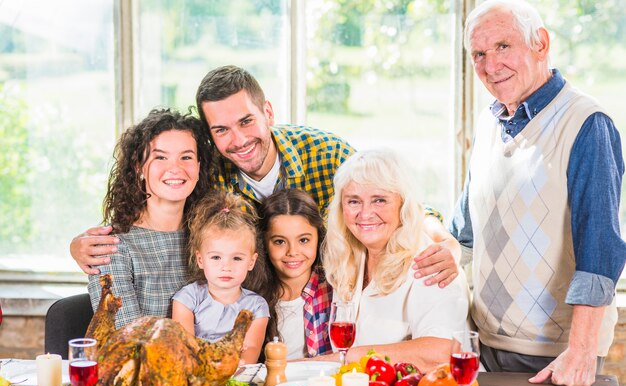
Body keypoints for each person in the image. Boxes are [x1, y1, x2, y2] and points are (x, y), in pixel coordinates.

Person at [71, 65, 461, 288]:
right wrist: (80, 247)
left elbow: (394, 205)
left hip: (328, 307)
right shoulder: (205, 175)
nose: (238, 140)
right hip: (247, 312)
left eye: (246, 121)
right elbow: (154, 207)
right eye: (221, 130)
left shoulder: (325, 153)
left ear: (268, 113)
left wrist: (447, 245)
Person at [450, 0, 625, 386]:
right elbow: (465, 233)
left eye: (503, 47)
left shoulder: (586, 124)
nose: (490, 65)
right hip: (485, 344)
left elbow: (601, 250)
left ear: (541, 44)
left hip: (557, 353)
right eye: (478, 53)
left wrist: (581, 349)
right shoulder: (488, 122)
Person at [319, 148, 469, 373]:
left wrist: (346, 358)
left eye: (379, 200)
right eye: (353, 201)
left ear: (403, 204)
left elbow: (441, 354)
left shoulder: (430, 262)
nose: (365, 213)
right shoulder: (349, 256)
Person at [87, 108, 213, 328]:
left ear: (199, 166)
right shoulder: (113, 248)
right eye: (161, 157)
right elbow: (127, 343)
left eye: (186, 157)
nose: (175, 168)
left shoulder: (211, 236)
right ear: (139, 167)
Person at [172, 192, 269, 364]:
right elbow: (184, 346)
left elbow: (251, 351)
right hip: (196, 373)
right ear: (200, 259)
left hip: (238, 375)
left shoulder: (256, 306)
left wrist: (232, 369)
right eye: (216, 258)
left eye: (237, 258)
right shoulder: (187, 298)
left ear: (251, 262)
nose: (226, 266)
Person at [252, 188, 333, 359]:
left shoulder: (336, 290)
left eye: (303, 240)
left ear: (319, 238)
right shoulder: (252, 298)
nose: (292, 252)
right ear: (264, 244)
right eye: (280, 242)